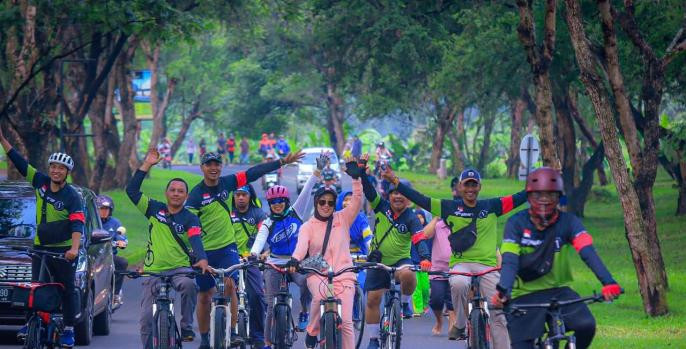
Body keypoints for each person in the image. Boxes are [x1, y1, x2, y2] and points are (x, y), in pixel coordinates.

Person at [380, 167, 528, 349]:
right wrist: (396, 182)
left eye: (474, 185)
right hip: (461, 264)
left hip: (488, 266)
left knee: (498, 313)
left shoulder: (492, 206)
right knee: (458, 284)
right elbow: (421, 199)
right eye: (467, 185)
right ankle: (459, 324)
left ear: (479, 187)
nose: (470, 189)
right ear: (460, 186)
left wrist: (540, 184)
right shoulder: (449, 207)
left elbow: (520, 197)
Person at [186, 150, 304, 349]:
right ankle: (205, 338)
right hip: (205, 251)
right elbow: (191, 227)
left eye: (217, 164)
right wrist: (198, 255)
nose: (214, 168)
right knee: (205, 295)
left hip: (227, 248)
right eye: (209, 165)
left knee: (230, 285)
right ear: (202, 168)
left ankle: (232, 333)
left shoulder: (227, 184)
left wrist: (282, 161)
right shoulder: (196, 194)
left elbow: (253, 173)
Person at [493, 168, 621, 349]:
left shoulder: (569, 222)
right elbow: (510, 260)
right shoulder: (516, 223)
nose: (544, 200)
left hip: (559, 291)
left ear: (559, 197)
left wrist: (608, 282)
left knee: (586, 326)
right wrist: (503, 290)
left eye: (550, 195)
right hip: (524, 296)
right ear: (529, 197)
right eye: (539, 195)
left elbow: (587, 252)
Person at [0, 129, 84, 348]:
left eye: (61, 168)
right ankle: (30, 323)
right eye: (53, 167)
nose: (56, 171)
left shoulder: (72, 197)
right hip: (40, 247)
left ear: (67, 172)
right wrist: (2, 139)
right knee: (34, 287)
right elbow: (19, 161)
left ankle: (68, 329)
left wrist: (74, 249)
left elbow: (77, 224)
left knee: (67, 289)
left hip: (64, 251)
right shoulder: (40, 182)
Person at [126, 147, 211, 347]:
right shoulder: (153, 209)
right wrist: (146, 164)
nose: (176, 194)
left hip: (180, 270)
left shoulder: (190, 217)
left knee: (190, 285)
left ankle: (186, 325)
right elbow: (131, 191)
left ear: (186, 196)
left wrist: (202, 259)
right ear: (166, 193)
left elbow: (195, 239)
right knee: (146, 318)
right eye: (172, 190)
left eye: (180, 191)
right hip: (153, 271)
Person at [250, 154, 328, 346]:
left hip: (297, 262)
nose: (277, 204)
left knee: (306, 283)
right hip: (274, 264)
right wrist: (253, 254)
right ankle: (268, 343)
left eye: (281, 201)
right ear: (270, 204)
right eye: (274, 202)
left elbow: (307, 189)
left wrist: (318, 171)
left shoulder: (296, 212)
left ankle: (303, 310)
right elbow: (260, 240)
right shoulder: (268, 222)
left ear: (286, 201)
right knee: (270, 306)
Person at [290, 158, 365, 349]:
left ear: (334, 205)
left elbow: (357, 200)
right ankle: (312, 330)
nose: (326, 205)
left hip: (344, 275)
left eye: (330, 203)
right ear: (316, 203)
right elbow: (300, 248)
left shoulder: (343, 218)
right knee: (318, 298)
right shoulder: (308, 226)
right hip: (318, 274)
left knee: (347, 323)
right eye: (322, 202)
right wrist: (295, 260)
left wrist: (356, 178)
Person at [358, 155, 431, 349]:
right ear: (388, 195)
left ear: (408, 198)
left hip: (401, 261)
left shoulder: (411, 217)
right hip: (378, 261)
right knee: (373, 300)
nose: (398, 196)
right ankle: (373, 339)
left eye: (402, 194)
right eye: (393, 193)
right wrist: (362, 172)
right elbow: (368, 190)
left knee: (409, 275)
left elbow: (419, 238)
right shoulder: (380, 206)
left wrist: (424, 257)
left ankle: (405, 303)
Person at [229, 185, 268, 349]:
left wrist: (261, 253)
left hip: (251, 260)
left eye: (244, 194)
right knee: (221, 294)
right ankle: (222, 330)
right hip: (230, 260)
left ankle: (258, 335)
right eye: (237, 194)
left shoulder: (258, 214)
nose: (240, 198)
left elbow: (263, 233)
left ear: (250, 196)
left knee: (257, 295)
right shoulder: (226, 214)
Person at [423, 217, 457, 336]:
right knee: (436, 299)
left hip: (457, 267)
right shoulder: (438, 225)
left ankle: (453, 324)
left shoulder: (460, 223)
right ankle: (439, 320)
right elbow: (425, 235)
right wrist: (435, 219)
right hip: (437, 269)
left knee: (452, 298)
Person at [96, 195, 128, 310]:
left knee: (122, 262)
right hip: (94, 256)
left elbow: (121, 236)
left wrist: (121, 242)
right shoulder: (92, 222)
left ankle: (115, 294)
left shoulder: (115, 223)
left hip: (109, 256)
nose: (104, 212)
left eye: (106, 209)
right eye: (101, 209)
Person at [411, 209, 431, 317]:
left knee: (425, 287)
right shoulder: (411, 232)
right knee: (416, 287)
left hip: (426, 264)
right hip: (413, 262)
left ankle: (425, 304)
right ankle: (417, 309)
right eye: (417, 217)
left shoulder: (428, 232)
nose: (419, 219)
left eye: (421, 217)